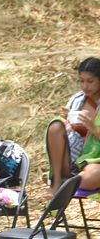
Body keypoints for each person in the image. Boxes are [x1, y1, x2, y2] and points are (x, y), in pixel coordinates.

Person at [45, 57, 100, 198]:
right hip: (75, 159)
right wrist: (67, 121)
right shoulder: (77, 100)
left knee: (93, 174)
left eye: (90, 81)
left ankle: (67, 184)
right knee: (56, 125)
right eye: (81, 81)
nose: (85, 86)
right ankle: (56, 182)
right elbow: (68, 134)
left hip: (94, 162)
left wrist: (93, 129)